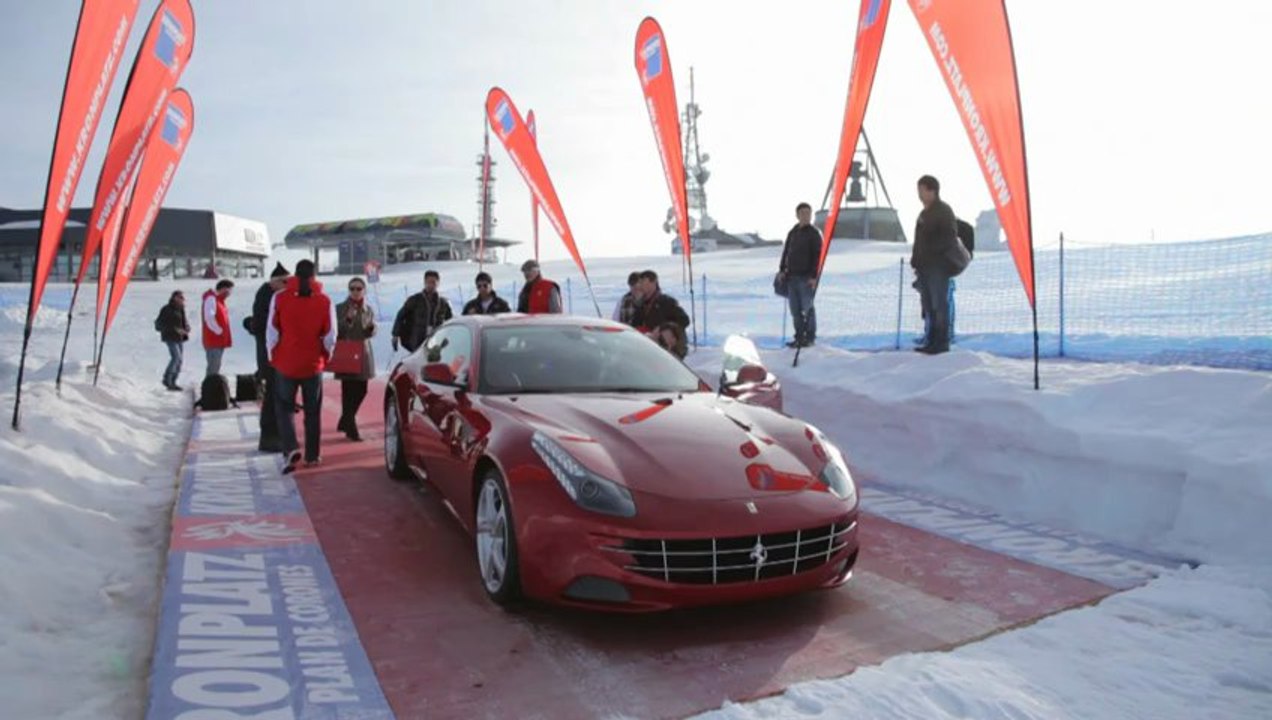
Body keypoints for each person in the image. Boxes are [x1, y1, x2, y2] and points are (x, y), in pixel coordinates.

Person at [267, 260, 336, 473]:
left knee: (284, 407)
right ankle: (312, 455)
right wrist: (326, 356)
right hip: (313, 363)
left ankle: (290, 448)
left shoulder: (279, 297)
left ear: (295, 274)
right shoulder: (325, 300)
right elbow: (331, 335)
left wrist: (273, 356)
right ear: (315, 276)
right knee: (312, 411)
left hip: (286, 362)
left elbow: (272, 331)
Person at [910, 175, 959, 355]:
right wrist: (916, 260)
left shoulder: (943, 211)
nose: (919, 195)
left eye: (922, 190)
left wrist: (932, 250)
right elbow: (918, 241)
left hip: (938, 266)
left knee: (939, 304)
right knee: (929, 306)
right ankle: (931, 340)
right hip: (924, 267)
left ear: (932, 191)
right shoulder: (923, 214)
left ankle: (941, 341)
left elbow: (949, 237)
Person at [249, 263, 290, 452]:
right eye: (285, 281)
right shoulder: (267, 295)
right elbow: (262, 325)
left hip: (275, 353)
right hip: (270, 354)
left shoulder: (272, 295)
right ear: (275, 282)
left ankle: (274, 434)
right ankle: (270, 436)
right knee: (274, 395)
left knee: (277, 395)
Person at [335, 277, 377, 441]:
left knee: (362, 390)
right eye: (352, 288)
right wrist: (348, 319)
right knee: (348, 391)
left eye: (359, 289)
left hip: (363, 352)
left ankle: (345, 419)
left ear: (364, 291)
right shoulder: (340, 308)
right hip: (347, 352)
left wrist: (371, 329)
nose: (355, 292)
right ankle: (351, 428)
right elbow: (337, 331)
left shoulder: (368, 309)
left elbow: (369, 331)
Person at [777, 202, 822, 348]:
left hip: (806, 278)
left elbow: (817, 257)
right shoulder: (793, 232)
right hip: (791, 278)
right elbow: (786, 253)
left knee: (807, 308)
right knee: (795, 310)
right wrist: (782, 270)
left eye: (808, 213)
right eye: (803, 213)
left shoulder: (814, 234)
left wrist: (814, 276)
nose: (806, 216)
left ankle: (809, 337)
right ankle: (799, 336)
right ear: (797, 215)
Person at [392, 269, 453, 353]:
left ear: (438, 283)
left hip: (437, 342)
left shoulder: (443, 303)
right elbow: (401, 315)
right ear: (424, 283)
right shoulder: (415, 300)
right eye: (428, 282)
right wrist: (395, 335)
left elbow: (450, 322)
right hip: (417, 341)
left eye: (433, 282)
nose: (431, 285)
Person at [633, 270, 690, 338]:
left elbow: (684, 320)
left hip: (664, 345)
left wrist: (663, 328)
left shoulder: (666, 301)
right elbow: (636, 324)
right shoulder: (641, 303)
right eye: (640, 282)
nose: (640, 285)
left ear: (653, 283)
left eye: (643, 281)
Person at [155, 290, 190, 391]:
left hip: (179, 337)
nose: (182, 300)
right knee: (176, 357)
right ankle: (167, 379)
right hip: (170, 336)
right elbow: (159, 324)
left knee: (179, 360)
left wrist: (186, 327)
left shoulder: (181, 309)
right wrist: (174, 329)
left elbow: (183, 321)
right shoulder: (166, 309)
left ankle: (173, 381)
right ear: (174, 298)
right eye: (180, 297)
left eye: (183, 298)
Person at [201, 279, 234, 376]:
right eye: (229, 290)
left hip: (219, 340)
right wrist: (219, 331)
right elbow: (209, 318)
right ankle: (209, 388)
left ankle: (212, 387)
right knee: (213, 367)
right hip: (213, 340)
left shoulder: (219, 301)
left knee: (216, 366)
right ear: (223, 289)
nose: (230, 293)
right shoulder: (211, 299)